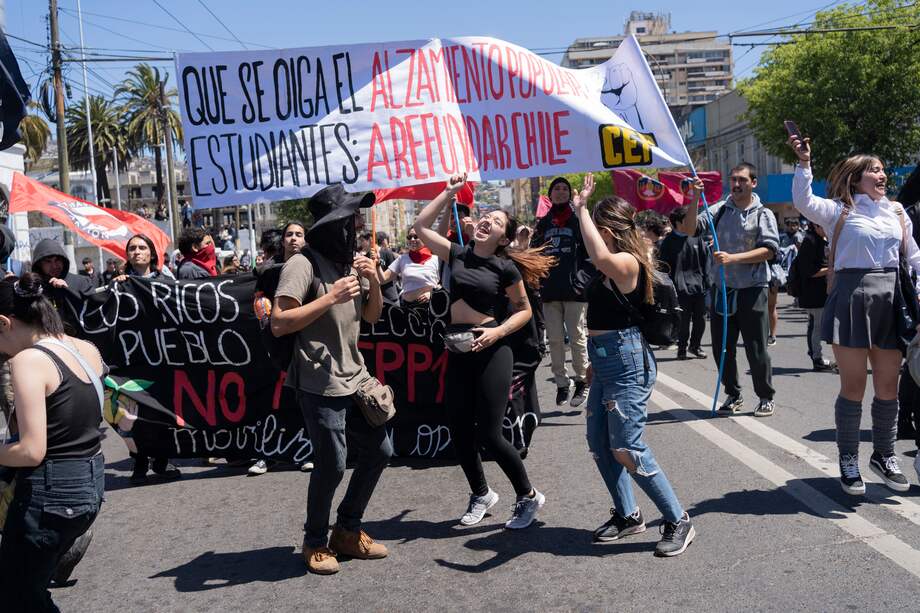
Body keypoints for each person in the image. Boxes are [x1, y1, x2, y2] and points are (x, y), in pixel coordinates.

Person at [415, 173, 550, 531]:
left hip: (492, 349)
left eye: (496, 221)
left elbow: (522, 310)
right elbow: (420, 226)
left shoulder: (504, 267)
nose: (487, 219)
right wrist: (448, 193)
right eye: (486, 216)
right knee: (458, 428)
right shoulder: (457, 253)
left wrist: (496, 333)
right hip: (458, 348)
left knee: (490, 433)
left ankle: (528, 495)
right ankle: (481, 494)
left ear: (503, 237)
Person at [789, 134, 919, 494]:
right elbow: (803, 200)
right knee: (854, 386)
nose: (881, 176)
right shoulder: (839, 211)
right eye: (873, 171)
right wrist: (803, 163)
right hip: (851, 299)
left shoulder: (896, 212)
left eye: (882, 170)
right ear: (856, 178)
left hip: (892, 299)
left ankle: (884, 454)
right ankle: (849, 460)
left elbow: (914, 259)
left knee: (889, 386)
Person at [271, 184, 390, 575]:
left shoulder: (349, 263)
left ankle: (348, 531)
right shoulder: (301, 264)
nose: (355, 226)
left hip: (356, 376)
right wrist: (330, 297)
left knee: (380, 450)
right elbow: (279, 322)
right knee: (332, 464)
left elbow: (372, 317)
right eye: (349, 219)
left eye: (355, 219)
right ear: (329, 226)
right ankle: (315, 541)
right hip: (317, 379)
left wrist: (373, 281)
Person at [574, 173, 695, 557]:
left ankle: (678, 519)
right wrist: (592, 365)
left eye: (596, 222)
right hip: (606, 361)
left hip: (627, 361)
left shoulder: (625, 261)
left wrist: (580, 212)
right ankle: (628, 515)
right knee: (599, 444)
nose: (590, 228)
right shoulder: (611, 264)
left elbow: (599, 256)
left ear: (608, 227)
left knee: (627, 446)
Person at [0, 272, 106, 611]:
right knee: (27, 589)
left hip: (49, 497)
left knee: (18, 596)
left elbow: (32, 450)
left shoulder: (29, 360)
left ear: (4, 322)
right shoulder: (85, 348)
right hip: (89, 488)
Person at [708, 163, 780, 418]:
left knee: (756, 347)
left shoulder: (764, 214)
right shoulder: (719, 210)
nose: (736, 185)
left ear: (753, 183)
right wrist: (695, 196)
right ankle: (733, 394)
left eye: (742, 180)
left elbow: (769, 250)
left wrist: (733, 258)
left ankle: (765, 396)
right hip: (723, 290)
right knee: (722, 348)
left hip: (753, 289)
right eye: (733, 180)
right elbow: (689, 227)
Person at [111, 234, 180, 483]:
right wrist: (116, 287)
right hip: (132, 359)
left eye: (142, 248)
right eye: (132, 248)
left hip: (162, 357)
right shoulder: (119, 283)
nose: (137, 252)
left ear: (152, 253)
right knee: (131, 413)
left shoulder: (165, 281)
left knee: (162, 411)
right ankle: (139, 460)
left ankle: (162, 460)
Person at [248, 221, 314, 477]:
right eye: (289, 234)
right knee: (273, 401)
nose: (294, 239)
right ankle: (267, 454)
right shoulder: (270, 271)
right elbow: (259, 297)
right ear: (283, 240)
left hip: (307, 342)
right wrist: (264, 312)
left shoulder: (314, 268)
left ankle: (306, 451)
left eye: (299, 234)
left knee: (305, 400)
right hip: (276, 345)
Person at [531, 177, 591, 408]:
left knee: (577, 338)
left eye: (564, 189)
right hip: (550, 292)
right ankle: (561, 383)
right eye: (556, 188)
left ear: (569, 193)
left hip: (574, 292)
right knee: (555, 340)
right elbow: (534, 256)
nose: (560, 192)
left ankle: (581, 381)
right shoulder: (544, 223)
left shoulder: (577, 220)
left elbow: (590, 255)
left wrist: (581, 282)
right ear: (550, 194)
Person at [659, 199, 711, 360]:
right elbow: (663, 267)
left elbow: (706, 260)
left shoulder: (697, 238)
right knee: (683, 320)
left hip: (699, 287)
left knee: (701, 319)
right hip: (679, 289)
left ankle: (695, 346)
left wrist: (707, 281)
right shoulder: (668, 242)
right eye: (688, 220)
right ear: (678, 222)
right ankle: (682, 347)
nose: (692, 222)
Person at [793, 223, 835, 372]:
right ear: (816, 225)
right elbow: (809, 271)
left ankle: (818, 356)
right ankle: (817, 358)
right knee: (816, 326)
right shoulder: (810, 241)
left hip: (822, 292)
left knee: (818, 326)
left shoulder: (822, 239)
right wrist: (831, 270)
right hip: (813, 292)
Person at [376, 227, 441, 307]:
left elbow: (443, 284)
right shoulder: (402, 258)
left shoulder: (436, 259)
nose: (412, 239)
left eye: (416, 236)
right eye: (409, 237)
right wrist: (378, 264)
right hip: (408, 309)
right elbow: (382, 279)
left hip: (431, 307)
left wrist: (431, 293)